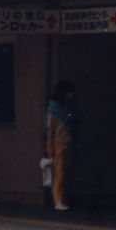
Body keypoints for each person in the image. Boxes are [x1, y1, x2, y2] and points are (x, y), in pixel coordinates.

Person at [43, 80, 76, 211]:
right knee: (59, 172)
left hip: (67, 142)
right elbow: (50, 129)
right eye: (69, 92)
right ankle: (58, 200)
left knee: (64, 172)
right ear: (64, 93)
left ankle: (60, 198)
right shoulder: (53, 109)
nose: (71, 95)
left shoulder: (66, 107)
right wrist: (49, 146)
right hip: (57, 143)